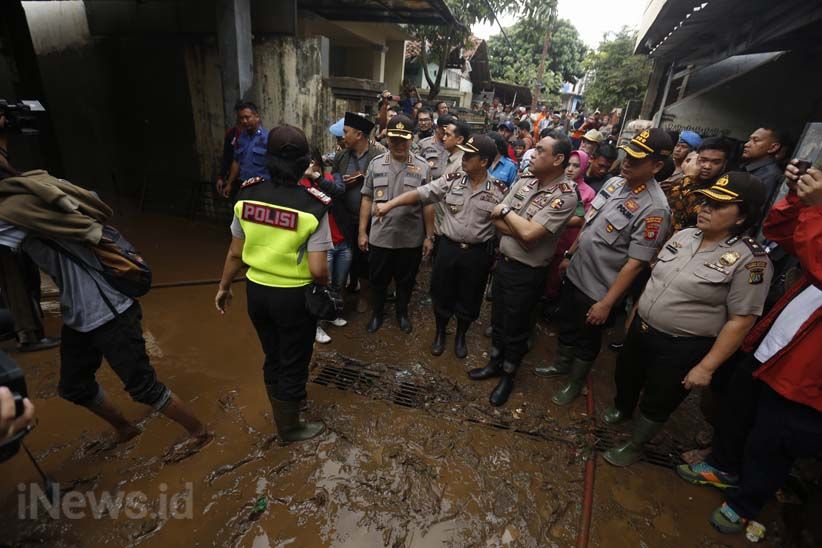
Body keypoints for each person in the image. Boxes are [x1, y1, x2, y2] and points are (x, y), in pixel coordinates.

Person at [0, 171, 210, 448]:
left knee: (144, 388)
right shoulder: (42, 191)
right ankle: (125, 428)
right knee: (74, 386)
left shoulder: (14, 213)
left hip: (111, 312)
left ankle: (199, 433)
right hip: (79, 315)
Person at [676, 161, 821, 535]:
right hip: (776, 346)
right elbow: (783, 233)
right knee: (738, 408)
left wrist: (817, 208)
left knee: (775, 440)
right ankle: (723, 465)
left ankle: (745, 503)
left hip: (807, 373)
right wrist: (796, 197)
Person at [601, 172, 772, 467]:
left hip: (683, 346)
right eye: (706, 201)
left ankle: (636, 443)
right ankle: (622, 409)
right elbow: (655, 280)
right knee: (626, 375)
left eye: (718, 206)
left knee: (659, 398)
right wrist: (635, 314)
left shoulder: (751, 261)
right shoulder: (684, 236)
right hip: (643, 329)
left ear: (743, 217)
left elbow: (741, 321)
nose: (705, 207)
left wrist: (706, 367)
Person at [216, 125, 333, 443]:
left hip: (256, 292)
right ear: (305, 163)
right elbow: (319, 268)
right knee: (295, 359)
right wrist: (326, 288)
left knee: (273, 353)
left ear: (267, 160)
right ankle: (290, 428)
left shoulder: (247, 194)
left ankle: (284, 403)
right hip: (294, 298)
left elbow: (235, 253)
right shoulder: (314, 206)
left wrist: (224, 287)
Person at [544, 128, 673, 406]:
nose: (627, 162)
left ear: (657, 166)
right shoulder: (615, 183)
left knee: (587, 340)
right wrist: (569, 254)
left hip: (600, 288)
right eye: (628, 156)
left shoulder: (655, 208)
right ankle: (560, 365)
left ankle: (575, 383)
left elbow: (636, 263)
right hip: (577, 272)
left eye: (637, 160)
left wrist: (607, 303)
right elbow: (589, 224)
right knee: (566, 323)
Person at [468, 131, 578, 406]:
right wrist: (516, 224)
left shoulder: (565, 196)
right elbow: (497, 217)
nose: (533, 153)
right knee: (498, 321)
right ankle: (494, 363)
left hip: (528, 273)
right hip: (504, 265)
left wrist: (508, 217)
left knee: (517, 328)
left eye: (541, 150)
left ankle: (508, 376)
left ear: (558, 159)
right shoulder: (526, 181)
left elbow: (528, 234)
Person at [375, 135, 506, 358]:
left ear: (483, 161)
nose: (464, 159)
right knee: (442, 292)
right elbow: (420, 193)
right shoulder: (452, 180)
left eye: (470, 156)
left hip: (477, 254)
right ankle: (440, 334)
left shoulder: (500, 190)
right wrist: (389, 204)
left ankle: (461, 336)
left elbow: (504, 225)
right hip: (448, 248)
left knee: (471, 296)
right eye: (464, 154)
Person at [359, 115, 434, 334]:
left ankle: (402, 313)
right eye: (394, 140)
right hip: (380, 237)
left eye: (404, 140)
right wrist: (362, 232)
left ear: (412, 140)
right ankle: (377, 314)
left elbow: (428, 205)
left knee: (406, 281)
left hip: (409, 239)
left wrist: (429, 236)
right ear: (387, 139)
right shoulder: (375, 164)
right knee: (378, 280)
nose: (399, 144)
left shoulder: (422, 167)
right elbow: (366, 198)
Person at [0, 115, 60, 352]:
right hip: (5, 234)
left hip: (9, 231)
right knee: (17, 282)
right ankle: (29, 336)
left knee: (21, 279)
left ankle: (23, 329)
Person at [331, 112, 383, 293]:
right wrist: (341, 183)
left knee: (367, 257)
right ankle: (352, 286)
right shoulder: (341, 156)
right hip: (345, 217)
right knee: (348, 255)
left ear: (359, 135)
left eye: (346, 132)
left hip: (371, 219)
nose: (343, 136)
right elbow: (334, 181)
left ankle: (366, 295)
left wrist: (364, 177)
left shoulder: (379, 155)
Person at [301, 148, 347, 344]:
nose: (311, 165)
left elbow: (338, 192)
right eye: (307, 162)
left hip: (341, 240)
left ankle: (331, 314)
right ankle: (316, 326)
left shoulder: (328, 177)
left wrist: (317, 177)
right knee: (319, 286)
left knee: (338, 283)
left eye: (314, 161)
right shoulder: (300, 185)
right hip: (321, 245)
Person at [545, 150, 596, 306]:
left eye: (576, 165)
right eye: (568, 164)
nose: (570, 169)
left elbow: (583, 220)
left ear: (584, 167)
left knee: (555, 279)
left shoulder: (588, 192)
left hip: (566, 243)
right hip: (546, 239)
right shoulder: (555, 183)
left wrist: (551, 220)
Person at [667, 137, 732, 233]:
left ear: (724, 164)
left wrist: (688, 180)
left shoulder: (722, 191)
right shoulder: (679, 183)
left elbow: (693, 214)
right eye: (703, 160)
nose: (707, 166)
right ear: (696, 158)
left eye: (716, 162)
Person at [221, 101, 268, 200]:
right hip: (243, 187)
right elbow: (236, 162)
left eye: (247, 117)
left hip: (262, 188)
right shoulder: (241, 138)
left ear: (257, 117)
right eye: (241, 118)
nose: (244, 121)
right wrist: (229, 184)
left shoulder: (267, 138)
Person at [740, 127, 786, 206]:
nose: (746, 144)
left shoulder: (770, 175)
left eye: (755, 140)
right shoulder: (745, 166)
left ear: (773, 147)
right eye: (749, 140)